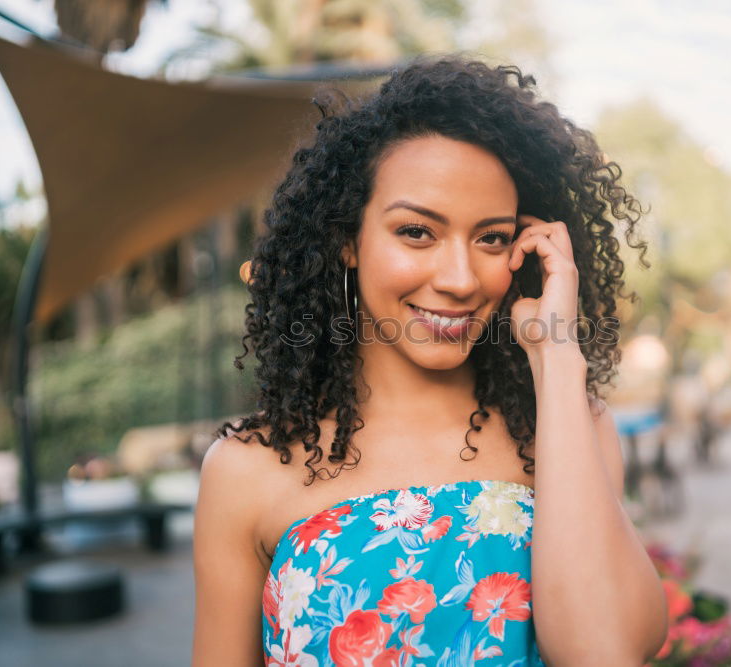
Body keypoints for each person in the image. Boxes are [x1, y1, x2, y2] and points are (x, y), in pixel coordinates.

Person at [191, 54, 668, 666]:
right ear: (346, 240)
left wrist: (556, 355)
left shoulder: (570, 430)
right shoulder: (247, 472)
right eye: (417, 232)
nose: (461, 279)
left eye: (492, 238)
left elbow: (604, 653)